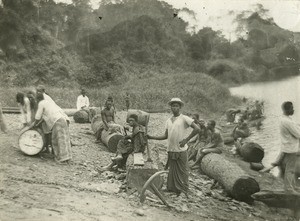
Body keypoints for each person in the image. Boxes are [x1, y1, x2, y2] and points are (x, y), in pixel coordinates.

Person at [147, 98, 200, 197]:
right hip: (171, 149)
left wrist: (186, 140)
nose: (174, 108)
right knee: (172, 170)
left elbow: (197, 128)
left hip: (181, 150)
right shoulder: (168, 121)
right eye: (173, 106)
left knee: (183, 170)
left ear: (180, 107)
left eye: (176, 106)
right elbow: (165, 136)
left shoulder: (184, 118)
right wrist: (151, 137)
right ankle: (172, 189)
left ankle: (183, 190)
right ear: (170, 107)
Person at [271, 101, 300, 218]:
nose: (293, 109)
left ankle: (292, 187)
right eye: (291, 108)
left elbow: (295, 127)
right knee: (290, 170)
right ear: (287, 109)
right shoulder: (287, 121)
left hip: (286, 147)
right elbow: (298, 134)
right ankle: (289, 189)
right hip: (291, 148)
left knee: (290, 169)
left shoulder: (285, 119)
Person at [29, 93, 71, 163]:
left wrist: (34, 125)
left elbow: (38, 117)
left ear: (38, 99)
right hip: (63, 118)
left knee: (57, 140)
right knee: (65, 139)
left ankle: (61, 159)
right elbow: (43, 118)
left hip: (57, 120)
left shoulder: (41, 103)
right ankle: (67, 157)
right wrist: (38, 123)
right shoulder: (48, 102)